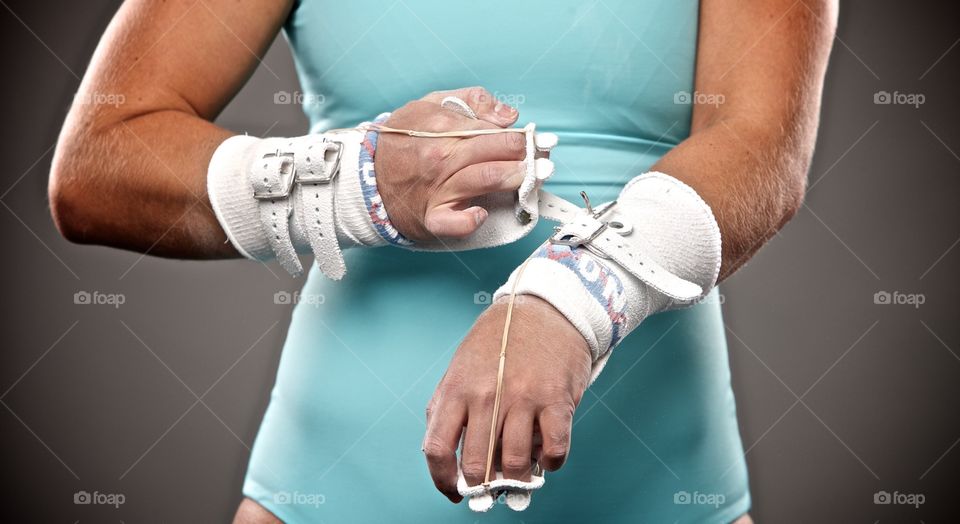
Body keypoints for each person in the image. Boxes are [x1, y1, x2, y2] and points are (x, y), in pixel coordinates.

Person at [49, 0, 837, 522]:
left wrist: (567, 298)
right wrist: (353, 180)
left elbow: (762, 145)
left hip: (663, 489)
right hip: (326, 489)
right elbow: (99, 165)